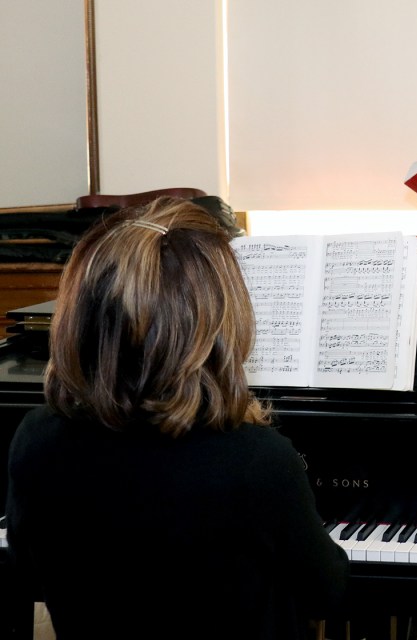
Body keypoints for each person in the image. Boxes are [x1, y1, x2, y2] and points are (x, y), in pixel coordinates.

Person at [5, 198, 349, 640]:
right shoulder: (258, 460)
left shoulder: (35, 439)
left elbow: (28, 575)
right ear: (220, 321)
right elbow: (328, 593)